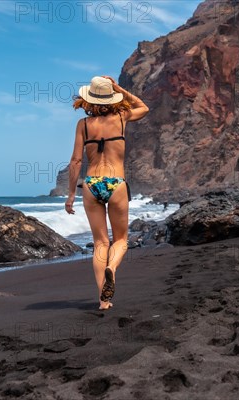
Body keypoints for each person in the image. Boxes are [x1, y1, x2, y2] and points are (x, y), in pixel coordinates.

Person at [65, 76, 149, 310]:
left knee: (100, 242)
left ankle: (103, 300)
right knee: (120, 240)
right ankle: (112, 268)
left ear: (89, 99)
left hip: (91, 184)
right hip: (116, 182)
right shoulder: (122, 118)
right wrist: (119, 89)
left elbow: (75, 160)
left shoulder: (83, 124)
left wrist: (71, 194)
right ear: (112, 97)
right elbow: (143, 107)